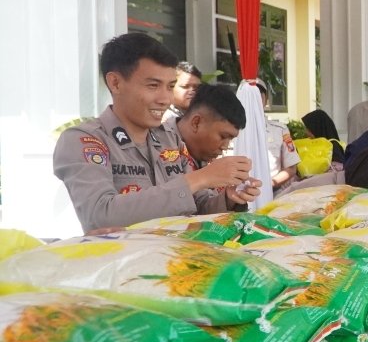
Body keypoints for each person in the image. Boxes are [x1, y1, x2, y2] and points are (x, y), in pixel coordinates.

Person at [53, 32, 260, 233]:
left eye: (170, 87)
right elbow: (100, 215)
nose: (165, 99)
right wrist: (200, 178)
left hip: (178, 259)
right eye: (153, 86)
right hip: (126, 263)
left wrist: (229, 198)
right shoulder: (85, 140)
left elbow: (198, 206)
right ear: (115, 83)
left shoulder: (170, 140)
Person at [163, 83, 246, 170]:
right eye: (223, 137)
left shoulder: (204, 156)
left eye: (230, 139)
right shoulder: (153, 146)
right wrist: (205, 178)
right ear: (196, 123)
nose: (225, 146)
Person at [253, 79, 301, 197]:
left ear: (266, 100)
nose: (254, 102)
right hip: (239, 197)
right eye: (250, 97)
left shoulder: (280, 130)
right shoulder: (231, 131)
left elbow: (291, 168)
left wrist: (267, 185)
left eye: (258, 96)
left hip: (273, 194)